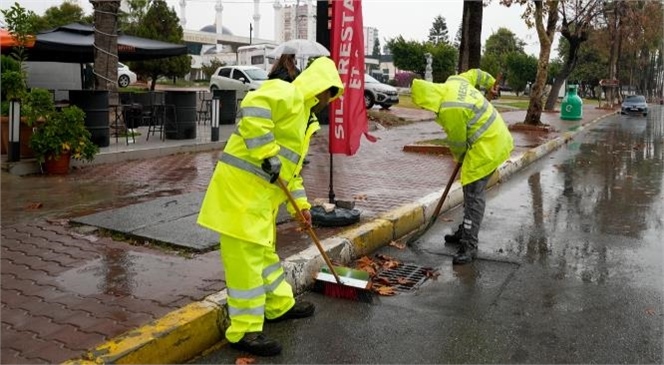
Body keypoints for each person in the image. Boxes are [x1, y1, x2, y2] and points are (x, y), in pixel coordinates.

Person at [197, 57, 343, 356]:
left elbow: (291, 174)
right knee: (246, 265)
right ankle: (245, 331)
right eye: (328, 95)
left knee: (264, 257)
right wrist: (267, 153)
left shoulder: (305, 119)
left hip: (259, 200)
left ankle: (279, 305)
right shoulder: (286, 94)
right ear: (319, 87)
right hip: (238, 195)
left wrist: (301, 207)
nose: (327, 102)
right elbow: (253, 106)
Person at [411, 69, 514, 265]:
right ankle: (465, 230)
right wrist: (491, 82)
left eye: (426, 107)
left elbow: (457, 143)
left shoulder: (450, 108)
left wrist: (459, 158)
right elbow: (477, 74)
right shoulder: (455, 80)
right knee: (469, 190)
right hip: (495, 138)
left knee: (473, 193)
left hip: (488, 146)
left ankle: (469, 245)